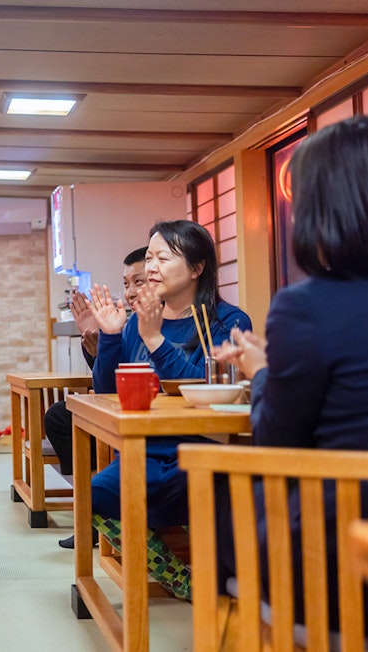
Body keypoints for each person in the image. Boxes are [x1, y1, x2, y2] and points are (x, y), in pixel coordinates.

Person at [215, 115, 368, 630]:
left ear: (318, 211)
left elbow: (278, 444)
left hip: (343, 573)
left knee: (225, 493)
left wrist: (263, 372)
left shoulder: (306, 306)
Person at [84, 219, 252, 599]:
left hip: (202, 452)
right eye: (149, 257)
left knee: (222, 492)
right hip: (145, 453)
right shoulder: (136, 323)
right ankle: (181, 578)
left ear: (196, 268)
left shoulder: (229, 321)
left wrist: (156, 340)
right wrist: (111, 336)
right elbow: (109, 392)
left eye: (164, 257)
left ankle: (220, 566)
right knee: (91, 495)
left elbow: (204, 390)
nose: (152, 267)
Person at [50, 246, 146, 549]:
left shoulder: (164, 322)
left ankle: (96, 505)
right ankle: (89, 502)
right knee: (60, 416)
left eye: (139, 282)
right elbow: (107, 382)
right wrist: (97, 345)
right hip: (120, 405)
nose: (130, 292)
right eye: (126, 283)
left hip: (147, 416)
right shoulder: (129, 322)